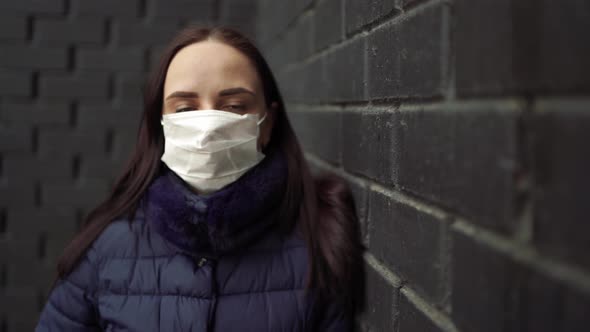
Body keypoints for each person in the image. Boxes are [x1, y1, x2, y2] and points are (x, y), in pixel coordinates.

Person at [35, 26, 365, 331]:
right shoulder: (107, 249)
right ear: (160, 124)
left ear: (267, 123)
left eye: (234, 106)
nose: (207, 127)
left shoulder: (316, 241)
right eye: (184, 109)